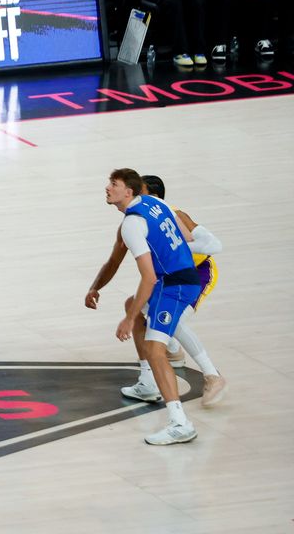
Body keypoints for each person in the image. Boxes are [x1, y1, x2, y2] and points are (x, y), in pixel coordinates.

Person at [86, 173, 227, 404]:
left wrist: (173, 248)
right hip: (167, 277)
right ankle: (151, 377)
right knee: (135, 305)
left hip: (197, 273)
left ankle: (212, 375)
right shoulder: (131, 224)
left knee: (171, 320)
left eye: (138, 192)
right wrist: (95, 287)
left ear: (151, 196)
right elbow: (114, 261)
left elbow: (214, 245)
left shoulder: (171, 212)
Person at [100, 169, 201, 446]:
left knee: (156, 349)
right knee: (143, 323)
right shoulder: (157, 204)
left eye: (114, 184)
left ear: (128, 192)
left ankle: (180, 423)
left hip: (174, 284)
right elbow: (188, 238)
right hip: (183, 276)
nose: (108, 188)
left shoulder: (132, 224)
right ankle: (148, 385)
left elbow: (149, 276)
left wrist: (128, 319)